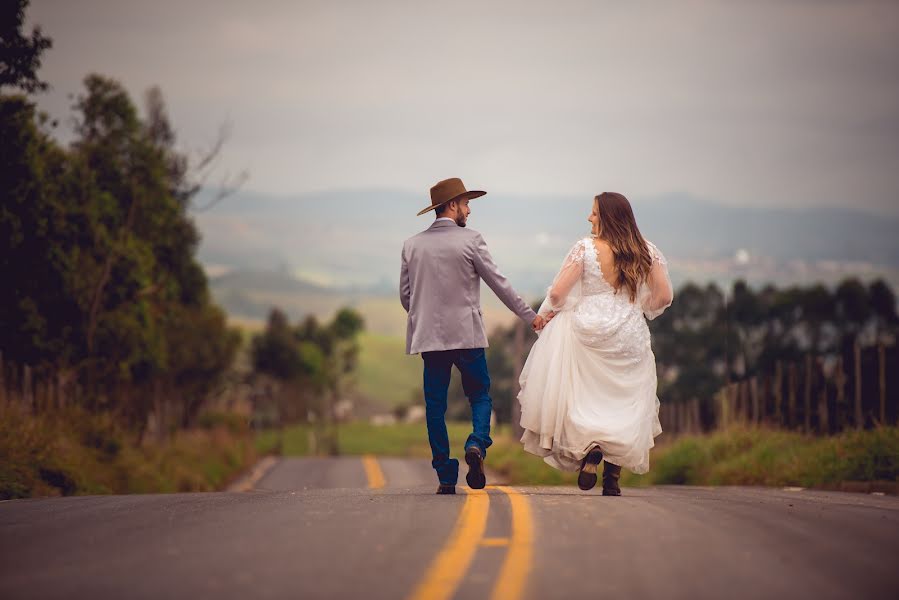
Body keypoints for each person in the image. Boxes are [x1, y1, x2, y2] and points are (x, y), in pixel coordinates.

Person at [518, 192, 673, 495]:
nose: (589, 219)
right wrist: (640, 305)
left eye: (594, 213)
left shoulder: (585, 249)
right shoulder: (647, 251)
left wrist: (547, 315)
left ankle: (591, 449)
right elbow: (664, 296)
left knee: (585, 399)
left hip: (587, 330)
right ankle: (612, 480)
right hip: (629, 336)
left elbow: (559, 294)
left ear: (608, 217)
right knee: (622, 403)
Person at [400, 177, 547, 494]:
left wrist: (427, 314)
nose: (469, 210)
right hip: (467, 337)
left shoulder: (411, 245)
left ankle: (445, 476)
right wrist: (531, 317)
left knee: (434, 406)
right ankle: (477, 445)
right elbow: (499, 283)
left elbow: (406, 297)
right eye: (466, 204)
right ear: (452, 205)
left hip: (430, 340)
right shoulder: (471, 241)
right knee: (480, 396)